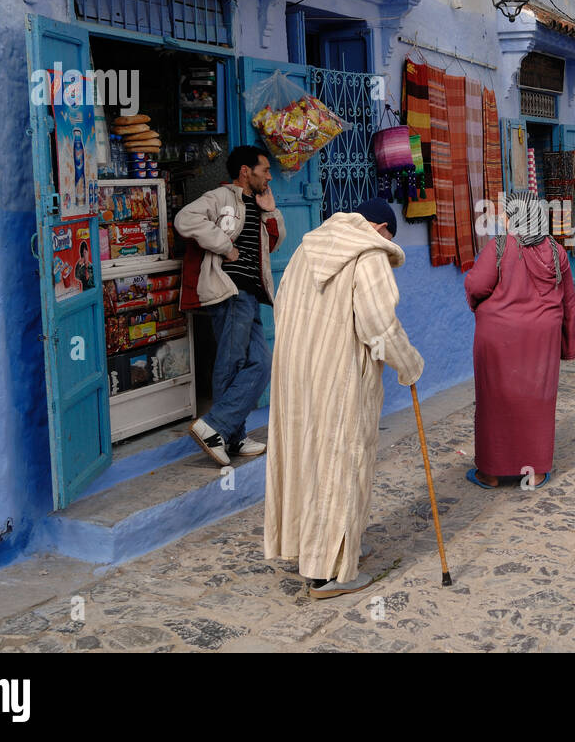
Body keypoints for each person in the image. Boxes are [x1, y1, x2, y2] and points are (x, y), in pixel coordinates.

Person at [264, 198, 423, 599]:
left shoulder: (307, 247)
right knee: (341, 462)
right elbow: (379, 325)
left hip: (296, 375)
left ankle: (328, 547)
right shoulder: (368, 256)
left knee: (307, 460)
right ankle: (328, 574)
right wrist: (409, 365)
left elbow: (281, 305)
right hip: (339, 376)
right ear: (383, 230)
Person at [175, 144, 284, 466]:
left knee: (261, 364)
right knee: (232, 362)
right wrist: (225, 247)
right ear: (245, 171)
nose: (269, 177)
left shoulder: (258, 205)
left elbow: (277, 240)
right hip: (229, 290)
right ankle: (218, 430)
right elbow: (185, 219)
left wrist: (271, 210)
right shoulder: (220, 198)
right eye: (265, 170)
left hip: (250, 293)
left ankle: (229, 435)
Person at [463, 190, 575, 490]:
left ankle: (491, 473)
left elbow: (477, 284)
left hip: (498, 339)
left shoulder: (499, 247)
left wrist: (482, 306)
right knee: (537, 402)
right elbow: (568, 302)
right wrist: (568, 346)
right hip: (542, 341)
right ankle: (535, 472)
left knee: (495, 401)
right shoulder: (556, 251)